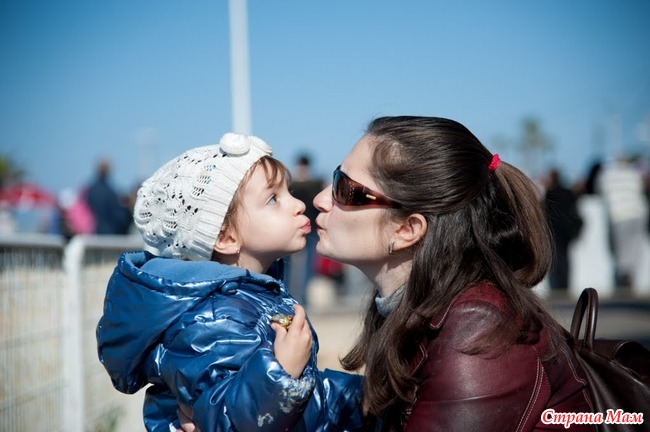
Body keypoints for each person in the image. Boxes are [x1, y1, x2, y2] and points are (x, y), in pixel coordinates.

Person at [311, 116, 593, 431]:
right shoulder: (415, 307)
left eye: (344, 188)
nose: (320, 200)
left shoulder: (478, 330)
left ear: (407, 230)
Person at [96, 133, 362, 432]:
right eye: (273, 199)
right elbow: (226, 420)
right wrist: (283, 373)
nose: (298, 204)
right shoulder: (211, 321)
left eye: (287, 191)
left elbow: (310, 404)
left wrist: (366, 399)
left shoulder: (254, 296)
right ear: (225, 237)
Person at [597, 155, 649, 290]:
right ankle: (630, 275)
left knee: (621, 249)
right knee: (635, 247)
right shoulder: (634, 174)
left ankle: (624, 276)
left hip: (619, 215)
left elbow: (601, 190)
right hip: (638, 213)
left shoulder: (608, 175)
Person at [286, 154, 325, 307]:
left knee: (294, 265)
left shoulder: (292, 184)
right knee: (301, 266)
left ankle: (294, 298)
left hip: (300, 228)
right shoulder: (315, 183)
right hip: (310, 228)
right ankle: (300, 299)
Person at [543, 168, 583, 291]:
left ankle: (558, 284)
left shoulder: (550, 193)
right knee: (565, 258)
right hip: (566, 231)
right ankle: (565, 284)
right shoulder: (567, 192)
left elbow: (546, 212)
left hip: (555, 231)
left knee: (557, 258)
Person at [86, 159, 132, 234]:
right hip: (109, 232)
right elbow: (118, 216)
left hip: (92, 232)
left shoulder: (90, 190)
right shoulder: (110, 192)